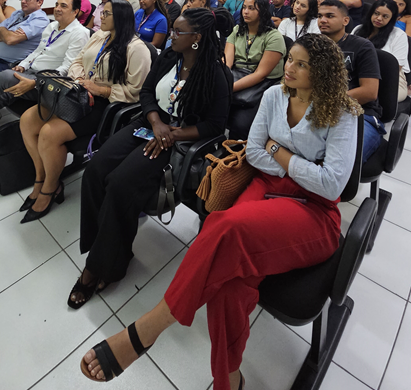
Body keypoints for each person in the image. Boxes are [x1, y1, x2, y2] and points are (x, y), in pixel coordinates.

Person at [79, 33, 361, 390]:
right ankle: (229, 379)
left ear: (321, 72)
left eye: (301, 64)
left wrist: (278, 152)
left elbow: (331, 186)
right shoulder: (274, 96)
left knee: (226, 226)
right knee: (228, 284)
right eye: (290, 58)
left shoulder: (342, 112)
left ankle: (148, 328)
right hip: (265, 185)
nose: (289, 67)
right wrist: (296, 164)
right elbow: (254, 153)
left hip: (313, 210)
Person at [68, 8, 232, 309]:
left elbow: (213, 125)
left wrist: (171, 134)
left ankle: (100, 268)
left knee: (120, 184)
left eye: (178, 32)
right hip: (150, 124)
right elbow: (146, 93)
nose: (171, 36)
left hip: (178, 138)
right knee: (95, 171)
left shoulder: (216, 74)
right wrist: (156, 122)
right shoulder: (169, 57)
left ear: (196, 37)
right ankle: (102, 248)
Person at [18, 0, 151, 223]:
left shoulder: (137, 49)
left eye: (106, 14)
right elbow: (77, 61)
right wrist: (80, 78)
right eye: (102, 12)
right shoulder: (99, 36)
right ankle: (40, 178)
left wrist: (102, 90)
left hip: (106, 105)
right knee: (28, 119)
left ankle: (50, 188)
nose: (101, 17)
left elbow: (136, 92)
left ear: (121, 17)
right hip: (79, 92)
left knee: (49, 133)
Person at [0, 0, 90, 185]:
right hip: (30, 73)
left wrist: (35, 82)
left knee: (6, 76)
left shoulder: (80, 33)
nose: (57, 8)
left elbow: (68, 68)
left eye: (63, 6)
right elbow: (37, 52)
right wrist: (22, 65)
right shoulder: (52, 26)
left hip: (49, 84)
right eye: (56, 4)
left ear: (76, 11)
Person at [318, 0, 384, 162]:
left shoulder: (362, 46)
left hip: (359, 113)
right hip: (319, 110)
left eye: (330, 16)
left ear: (345, 21)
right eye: (319, 16)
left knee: (342, 160)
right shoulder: (314, 45)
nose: (323, 20)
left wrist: (327, 102)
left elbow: (369, 92)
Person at [225, 0, 286, 138]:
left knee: (240, 124)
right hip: (237, 76)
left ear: (263, 11)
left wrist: (227, 88)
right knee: (210, 109)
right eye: (244, 7)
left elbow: (260, 75)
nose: (245, 12)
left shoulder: (274, 37)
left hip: (263, 84)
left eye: (251, 8)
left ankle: (238, 150)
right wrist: (221, 81)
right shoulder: (237, 30)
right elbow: (227, 62)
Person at [352, 0, 409, 102]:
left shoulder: (398, 35)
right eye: (376, 13)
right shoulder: (358, 29)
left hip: (390, 79)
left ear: (392, 19)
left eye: (385, 16)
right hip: (357, 75)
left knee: (370, 97)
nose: (378, 18)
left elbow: (395, 67)